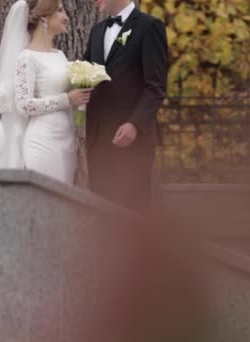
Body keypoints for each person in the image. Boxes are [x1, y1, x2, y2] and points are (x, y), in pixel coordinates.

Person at [0, 0, 92, 184]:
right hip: (43, 141)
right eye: (60, 11)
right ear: (44, 18)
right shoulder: (27, 58)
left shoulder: (59, 55)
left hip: (66, 140)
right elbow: (23, 104)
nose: (66, 17)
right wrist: (67, 99)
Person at [84, 0, 168, 212]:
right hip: (99, 140)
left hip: (133, 141)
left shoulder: (150, 27)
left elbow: (155, 87)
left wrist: (134, 124)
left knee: (132, 214)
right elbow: (87, 77)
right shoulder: (96, 31)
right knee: (100, 212)